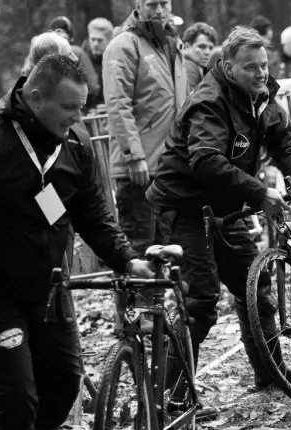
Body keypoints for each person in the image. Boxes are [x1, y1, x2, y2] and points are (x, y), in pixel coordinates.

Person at [0, 54, 152, 430]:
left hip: (51, 288)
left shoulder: (76, 145)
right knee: (17, 394)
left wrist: (127, 260)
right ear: (36, 98)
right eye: (70, 108)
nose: (79, 117)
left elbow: (92, 215)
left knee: (63, 382)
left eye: (82, 108)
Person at [146, 26, 291, 390]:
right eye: (251, 67)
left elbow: (282, 138)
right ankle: (167, 398)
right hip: (183, 207)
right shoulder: (209, 102)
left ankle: (272, 374)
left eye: (264, 65)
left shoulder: (260, 95)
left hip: (226, 207)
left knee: (255, 288)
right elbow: (206, 161)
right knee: (201, 302)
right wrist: (259, 192)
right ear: (228, 68)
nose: (261, 73)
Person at [102, 0, 188, 256]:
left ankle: (160, 298)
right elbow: (118, 103)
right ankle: (138, 298)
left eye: (164, 3)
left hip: (168, 165)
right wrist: (134, 156)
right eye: (152, 4)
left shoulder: (170, 43)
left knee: (168, 249)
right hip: (138, 169)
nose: (160, 10)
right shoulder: (123, 45)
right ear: (138, 5)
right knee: (139, 250)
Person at [47, 16, 101, 107]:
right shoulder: (77, 52)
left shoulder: (40, 53)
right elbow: (93, 87)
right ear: (70, 36)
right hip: (78, 107)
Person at [83, 18, 114, 110]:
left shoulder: (115, 57)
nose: (95, 44)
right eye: (92, 39)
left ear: (109, 40)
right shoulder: (81, 58)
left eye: (100, 40)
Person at [182, 22, 218, 92]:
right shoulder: (189, 67)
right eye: (202, 46)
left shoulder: (199, 67)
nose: (207, 52)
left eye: (210, 48)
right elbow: (188, 101)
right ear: (187, 46)